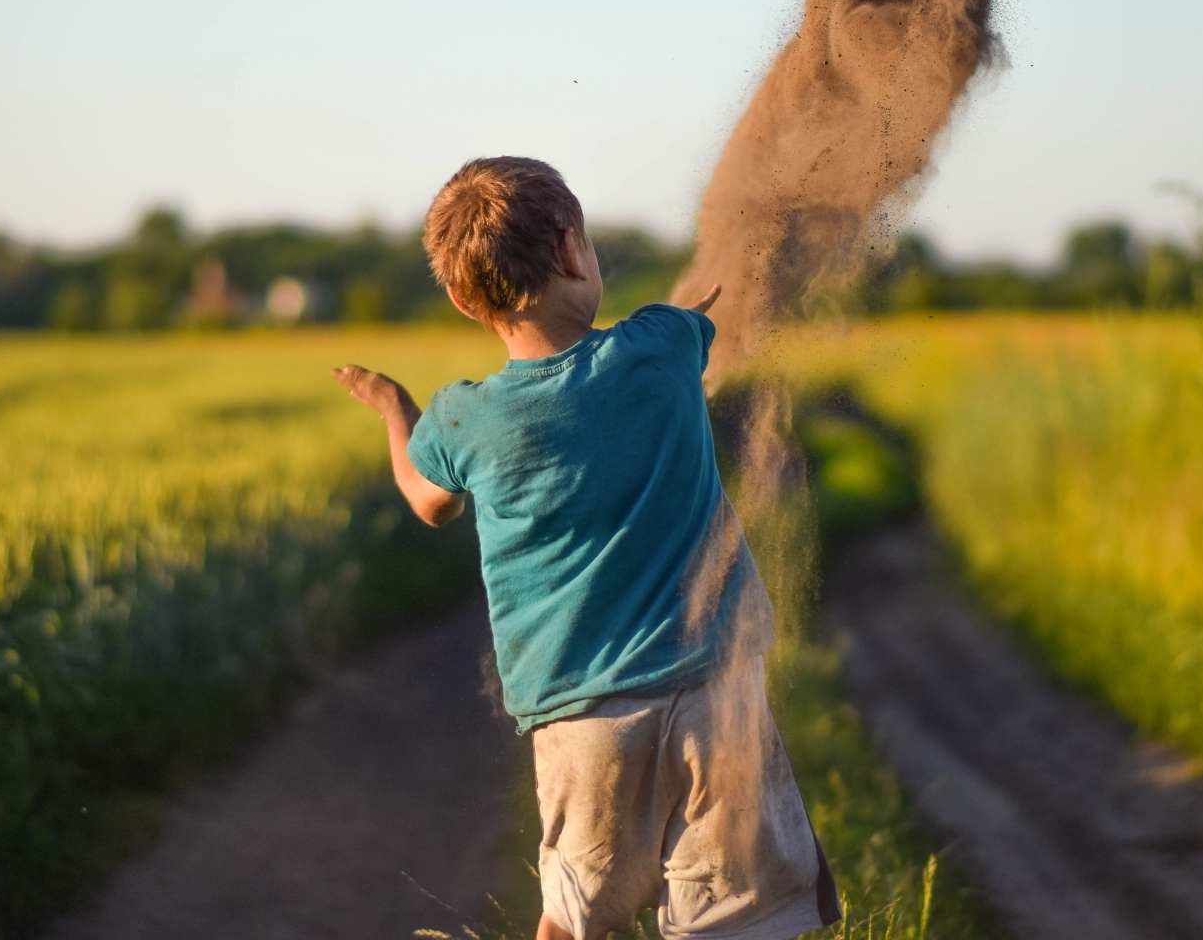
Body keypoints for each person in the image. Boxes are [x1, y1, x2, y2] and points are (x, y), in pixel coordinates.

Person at [332, 157, 839, 940]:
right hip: (717, 689)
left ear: (464, 299)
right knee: (738, 918)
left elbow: (427, 502)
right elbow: (694, 320)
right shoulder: (662, 343)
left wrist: (396, 409)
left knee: (574, 916)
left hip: (582, 717)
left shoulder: (462, 420)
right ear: (572, 249)